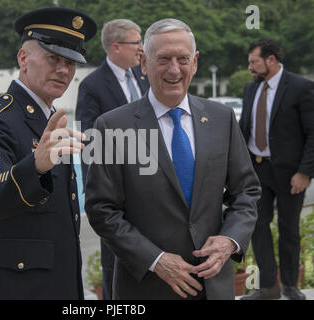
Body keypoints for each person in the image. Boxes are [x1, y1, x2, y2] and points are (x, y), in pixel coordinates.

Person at [84, 18, 261, 300]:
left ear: (196, 62)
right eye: (163, 59)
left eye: (183, 59)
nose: (174, 69)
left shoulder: (222, 119)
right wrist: (155, 260)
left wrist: (230, 241)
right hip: (146, 287)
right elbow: (101, 209)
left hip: (214, 286)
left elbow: (247, 191)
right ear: (143, 63)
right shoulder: (112, 126)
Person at [0, 7, 96, 299]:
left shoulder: (50, 119)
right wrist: (34, 167)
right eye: (53, 58)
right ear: (23, 59)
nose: (63, 70)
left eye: (70, 62)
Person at [75, 18, 149, 300]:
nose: (142, 48)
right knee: (115, 260)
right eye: (137, 42)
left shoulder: (144, 76)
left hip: (151, 182)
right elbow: (90, 141)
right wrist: (100, 191)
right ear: (116, 47)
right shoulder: (92, 86)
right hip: (116, 189)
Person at [239, 40, 314, 300]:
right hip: (257, 171)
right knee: (256, 226)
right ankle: (268, 287)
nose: (250, 67)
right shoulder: (251, 89)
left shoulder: (301, 87)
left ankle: (290, 285)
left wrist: (304, 172)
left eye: (254, 62)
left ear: (271, 60)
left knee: (289, 229)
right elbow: (244, 130)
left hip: (290, 174)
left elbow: (312, 133)